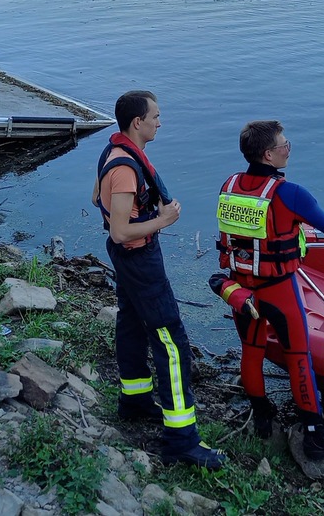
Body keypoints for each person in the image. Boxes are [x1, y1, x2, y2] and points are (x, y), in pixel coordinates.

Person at [211, 120, 324, 460]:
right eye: (284, 143)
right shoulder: (289, 193)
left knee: (251, 351)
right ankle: (313, 434)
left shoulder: (229, 185)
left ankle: (263, 415)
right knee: (298, 357)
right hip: (278, 292)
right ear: (269, 154)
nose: (289, 147)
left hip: (241, 290)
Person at [93, 90, 225, 470]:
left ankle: (134, 401)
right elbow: (120, 231)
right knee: (171, 342)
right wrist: (163, 220)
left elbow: (97, 199)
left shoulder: (112, 154)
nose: (159, 122)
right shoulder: (124, 168)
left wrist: (135, 209)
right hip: (138, 257)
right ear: (137, 122)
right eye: (155, 116)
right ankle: (181, 440)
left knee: (131, 323)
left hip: (131, 258)